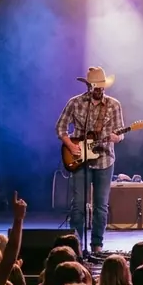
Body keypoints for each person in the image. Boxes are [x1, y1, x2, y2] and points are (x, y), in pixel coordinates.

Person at [55, 66, 126, 254]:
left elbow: (121, 133)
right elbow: (60, 128)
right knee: (78, 205)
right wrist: (72, 146)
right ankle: (76, 246)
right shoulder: (75, 103)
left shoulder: (113, 105)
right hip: (80, 160)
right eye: (96, 87)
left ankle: (97, 246)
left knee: (101, 206)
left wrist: (116, 137)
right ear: (89, 86)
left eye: (102, 87)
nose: (99, 90)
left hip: (104, 160)